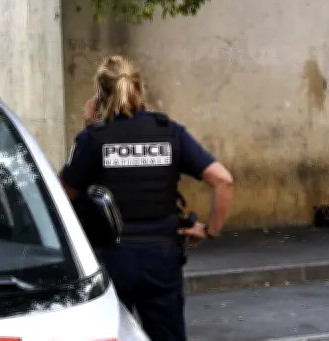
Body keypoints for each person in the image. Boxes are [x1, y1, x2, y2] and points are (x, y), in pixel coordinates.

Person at [59, 55, 234, 341]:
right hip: (161, 258)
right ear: (140, 88)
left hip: (111, 258)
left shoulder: (93, 139)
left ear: (99, 95)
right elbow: (224, 181)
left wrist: (87, 129)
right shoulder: (169, 132)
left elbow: (64, 194)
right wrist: (210, 230)